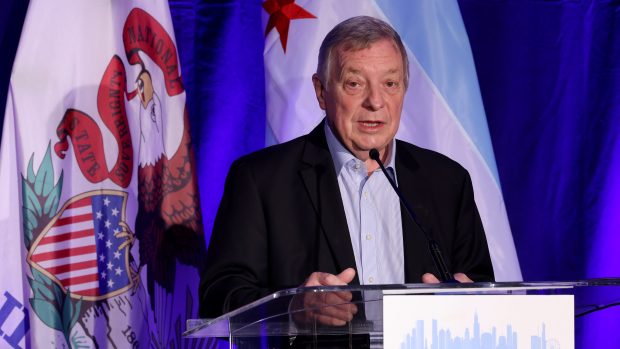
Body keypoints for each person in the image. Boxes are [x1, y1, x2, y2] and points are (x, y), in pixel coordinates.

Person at [199, 16, 493, 326]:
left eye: (390, 83)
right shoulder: (261, 180)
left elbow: (479, 286)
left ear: (404, 90)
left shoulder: (447, 181)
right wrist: (294, 307)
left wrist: (466, 302)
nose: (375, 102)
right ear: (322, 91)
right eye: (354, 83)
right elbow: (219, 299)